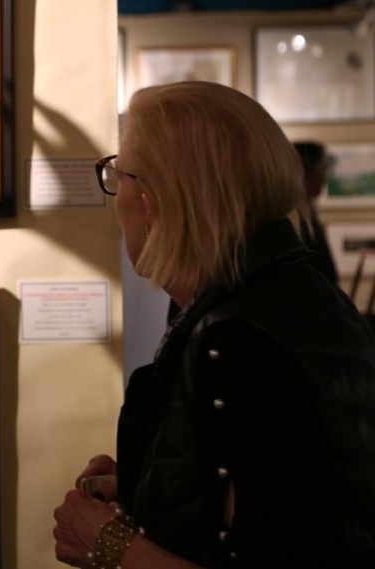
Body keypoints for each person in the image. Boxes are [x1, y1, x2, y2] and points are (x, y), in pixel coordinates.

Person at [54, 81, 375, 568]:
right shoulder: (291, 296)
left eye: (120, 176)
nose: (116, 197)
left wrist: (109, 544)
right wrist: (151, 480)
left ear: (152, 204)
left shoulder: (240, 342)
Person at [293, 140, 338, 284]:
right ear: (307, 170)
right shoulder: (296, 216)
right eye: (322, 169)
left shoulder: (305, 211)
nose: (324, 178)